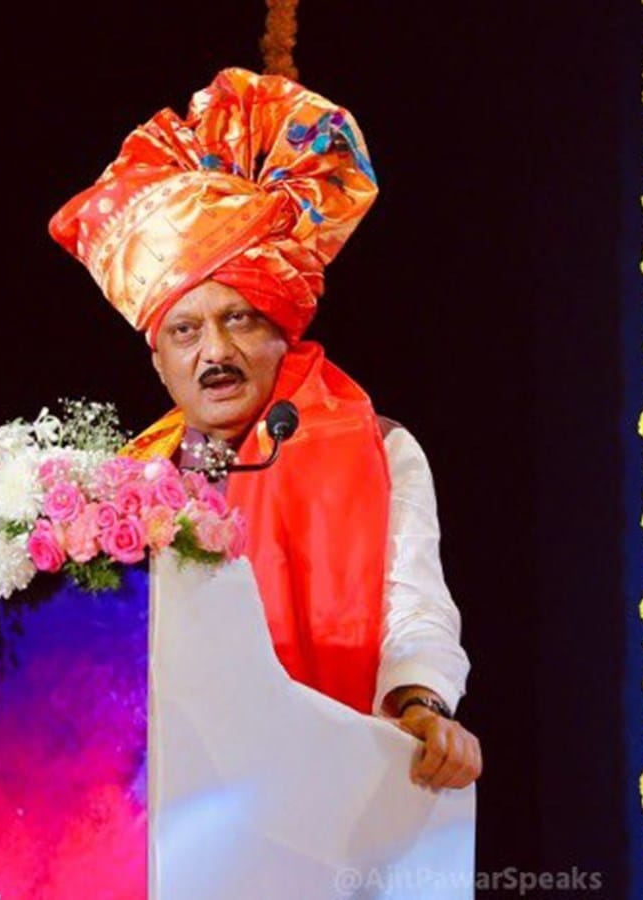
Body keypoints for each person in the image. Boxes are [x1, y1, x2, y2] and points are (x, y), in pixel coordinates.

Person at [50, 68, 482, 791]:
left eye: (240, 319)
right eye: (185, 331)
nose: (215, 352)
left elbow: (414, 608)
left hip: (320, 787)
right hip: (152, 792)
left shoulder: (379, 447)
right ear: (159, 363)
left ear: (284, 330)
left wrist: (421, 704)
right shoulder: (123, 486)